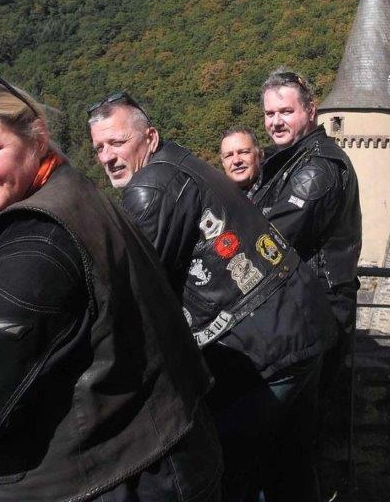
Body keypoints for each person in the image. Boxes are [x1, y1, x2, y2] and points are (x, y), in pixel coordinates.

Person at [0, 76, 221, 502]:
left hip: (121, 478)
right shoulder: (75, 191)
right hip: (167, 452)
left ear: (36, 138)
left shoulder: (38, 241)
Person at [88, 91, 336, 502]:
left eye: (117, 142)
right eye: (99, 148)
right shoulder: (182, 162)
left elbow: (137, 298)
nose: (107, 157)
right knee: (286, 467)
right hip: (295, 326)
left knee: (224, 470)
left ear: (150, 137)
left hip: (267, 347)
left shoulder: (150, 189)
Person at [250, 70, 362, 392]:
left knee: (301, 411)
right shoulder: (292, 159)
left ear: (311, 110)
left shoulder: (316, 169)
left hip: (316, 311)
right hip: (305, 308)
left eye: (286, 111)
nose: (275, 122)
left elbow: (269, 240)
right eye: (270, 113)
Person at [218, 125, 263, 192]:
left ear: (260, 155)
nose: (236, 161)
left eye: (243, 152)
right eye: (229, 155)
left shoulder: (277, 190)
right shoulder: (216, 196)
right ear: (223, 163)